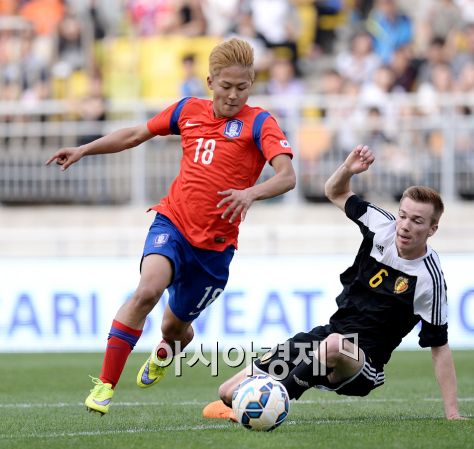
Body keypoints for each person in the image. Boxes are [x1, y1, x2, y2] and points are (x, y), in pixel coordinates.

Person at [45, 37, 296, 415]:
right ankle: (105, 386)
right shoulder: (186, 110)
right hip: (173, 223)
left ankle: (165, 353)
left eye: (241, 88)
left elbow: (287, 176)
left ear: (252, 84)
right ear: (210, 82)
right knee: (146, 291)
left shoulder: (260, 122)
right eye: (226, 87)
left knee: (175, 330)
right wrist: (84, 149)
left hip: (214, 248)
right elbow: (134, 135)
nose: (232, 96)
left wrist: (251, 194)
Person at [203, 144, 464, 421]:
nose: (405, 225)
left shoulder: (429, 279)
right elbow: (335, 191)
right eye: (402, 215)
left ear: (432, 229)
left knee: (335, 344)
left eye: (417, 221)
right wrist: (347, 170)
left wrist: (453, 414)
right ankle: (242, 405)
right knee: (229, 391)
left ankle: (276, 404)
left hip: (363, 363)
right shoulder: (380, 225)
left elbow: (440, 348)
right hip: (325, 339)